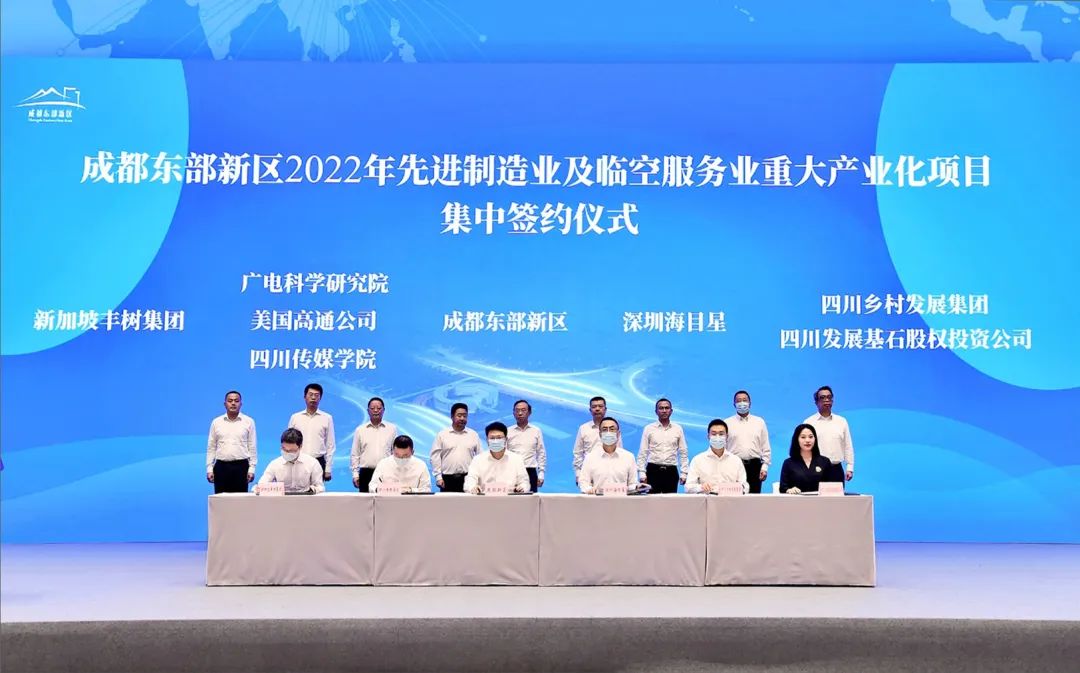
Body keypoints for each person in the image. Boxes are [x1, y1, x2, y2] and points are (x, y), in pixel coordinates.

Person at [206, 390, 258, 493]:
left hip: (241, 467)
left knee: (240, 500)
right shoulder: (216, 422)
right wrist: (209, 469)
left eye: (236, 401)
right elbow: (211, 447)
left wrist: (252, 469)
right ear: (225, 404)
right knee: (221, 500)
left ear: (241, 404)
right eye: (230, 401)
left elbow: (252, 446)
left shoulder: (249, 422)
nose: (233, 403)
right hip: (221, 467)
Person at [637, 398, 688, 493]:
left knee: (670, 501)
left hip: (671, 471)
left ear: (671, 411)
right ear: (656, 411)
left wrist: (684, 473)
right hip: (652, 470)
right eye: (661, 408)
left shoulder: (678, 429)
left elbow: (683, 452)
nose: (664, 410)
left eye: (667, 408)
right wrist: (641, 473)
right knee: (651, 500)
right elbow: (643, 452)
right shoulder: (649, 428)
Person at [724, 390, 771, 494]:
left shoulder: (759, 422)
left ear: (750, 403)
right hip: (734, 465)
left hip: (755, 466)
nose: (742, 403)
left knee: (754, 500)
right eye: (738, 401)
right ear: (734, 404)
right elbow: (723, 448)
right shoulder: (727, 423)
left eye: (744, 400)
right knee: (734, 498)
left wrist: (765, 467)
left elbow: (765, 447)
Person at [804, 386, 854, 482]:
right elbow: (804, 448)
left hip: (836, 470)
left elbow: (848, 445)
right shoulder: (809, 422)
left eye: (829, 397)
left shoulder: (841, 421)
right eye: (822, 398)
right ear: (816, 402)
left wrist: (850, 467)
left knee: (837, 493)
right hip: (815, 469)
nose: (826, 400)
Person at [287, 383, 336, 483]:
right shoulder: (295, 417)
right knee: (297, 489)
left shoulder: (327, 418)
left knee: (317, 490)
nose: (313, 398)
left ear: (320, 398)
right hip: (298, 461)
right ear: (304, 397)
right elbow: (288, 442)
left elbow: (330, 445)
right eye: (310, 394)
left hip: (318, 461)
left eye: (317, 395)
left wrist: (328, 469)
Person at [464, 422, 530, 494]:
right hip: (485, 498)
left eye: (499, 438)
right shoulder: (478, 459)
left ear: (506, 439)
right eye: (492, 438)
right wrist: (472, 487)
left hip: (510, 498)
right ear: (487, 440)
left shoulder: (516, 459)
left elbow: (524, 481)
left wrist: (522, 487)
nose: (495, 441)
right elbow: (470, 479)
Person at [685, 419, 748, 494]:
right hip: (707, 499)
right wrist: (701, 487)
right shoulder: (698, 460)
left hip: (730, 499)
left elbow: (745, 486)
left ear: (727, 436)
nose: (717, 437)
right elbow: (688, 487)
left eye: (721, 434)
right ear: (708, 436)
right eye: (714, 434)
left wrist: (738, 488)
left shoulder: (736, 460)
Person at [578, 417, 638, 495]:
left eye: (612, 429)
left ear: (618, 434)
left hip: (621, 500)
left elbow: (632, 483)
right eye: (605, 429)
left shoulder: (629, 457)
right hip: (598, 500)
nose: (608, 432)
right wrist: (589, 489)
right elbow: (583, 482)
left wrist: (636, 487)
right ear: (600, 434)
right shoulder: (590, 458)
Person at [430, 402, 481, 492]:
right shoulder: (442, 434)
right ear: (452, 416)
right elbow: (435, 457)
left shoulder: (473, 435)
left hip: (468, 479)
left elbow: (479, 457)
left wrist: (478, 477)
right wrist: (438, 477)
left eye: (465, 416)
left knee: (468, 501)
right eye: (459, 415)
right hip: (447, 479)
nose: (462, 418)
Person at [350, 397, 398, 492]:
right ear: (368, 411)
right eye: (372, 408)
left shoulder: (392, 429)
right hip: (366, 473)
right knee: (365, 500)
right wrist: (355, 474)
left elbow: (395, 452)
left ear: (383, 410)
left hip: (386, 472)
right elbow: (355, 454)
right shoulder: (360, 430)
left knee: (387, 499)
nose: (376, 411)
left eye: (379, 408)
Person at [258, 428, 324, 494]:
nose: (287, 453)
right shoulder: (275, 464)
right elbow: (262, 484)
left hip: (305, 497)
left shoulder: (312, 463)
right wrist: (260, 488)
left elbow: (320, 487)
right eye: (284, 449)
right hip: (281, 499)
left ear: (300, 446)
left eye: (291, 451)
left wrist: (312, 490)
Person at [779, 424, 840, 494]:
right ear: (796, 440)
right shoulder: (788, 463)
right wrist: (789, 490)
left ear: (815, 439)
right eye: (803, 437)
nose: (807, 440)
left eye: (811, 437)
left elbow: (831, 488)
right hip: (796, 500)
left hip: (819, 500)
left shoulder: (825, 461)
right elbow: (783, 488)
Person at [572, 396, 622, 482]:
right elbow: (578, 452)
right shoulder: (584, 428)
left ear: (605, 409)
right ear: (590, 410)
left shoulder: (613, 427)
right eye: (594, 407)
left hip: (610, 470)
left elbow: (619, 449)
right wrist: (578, 474)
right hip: (589, 472)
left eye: (600, 406)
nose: (597, 409)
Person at [506, 399, 547, 492]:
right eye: (517, 410)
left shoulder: (536, 431)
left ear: (529, 412)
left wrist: (541, 473)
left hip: (530, 471)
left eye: (523, 410)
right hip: (513, 471)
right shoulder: (508, 431)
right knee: (511, 498)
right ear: (513, 413)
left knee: (531, 499)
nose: (520, 413)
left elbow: (541, 453)